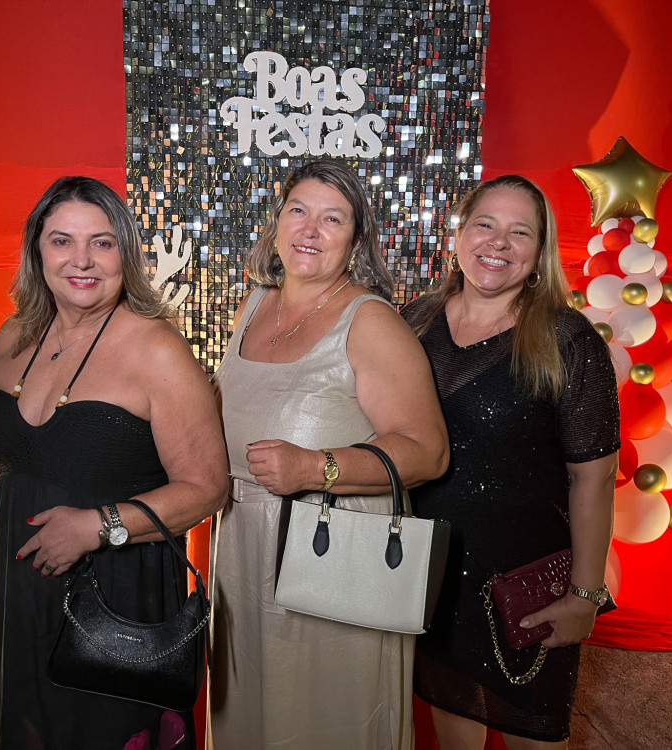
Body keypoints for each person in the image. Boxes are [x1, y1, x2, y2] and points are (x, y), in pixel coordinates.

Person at [0, 176, 228, 750]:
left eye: (101, 243)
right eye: (62, 241)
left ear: (124, 254)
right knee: (29, 730)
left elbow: (207, 488)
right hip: (21, 584)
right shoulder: (13, 337)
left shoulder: (157, 349)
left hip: (117, 595)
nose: (81, 260)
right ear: (37, 250)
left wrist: (95, 527)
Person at [206, 159, 450, 749]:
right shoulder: (252, 305)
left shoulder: (370, 322)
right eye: (298, 211)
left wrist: (315, 467)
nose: (310, 230)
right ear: (276, 224)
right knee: (248, 708)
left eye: (332, 218)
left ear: (356, 241)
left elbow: (429, 451)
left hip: (327, 547)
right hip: (240, 543)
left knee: (322, 714)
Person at [402, 174, 620, 749]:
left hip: (525, 587)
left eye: (519, 232)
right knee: (454, 729)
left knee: (534, 734)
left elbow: (594, 478)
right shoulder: (414, 322)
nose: (498, 243)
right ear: (459, 234)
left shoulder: (567, 339)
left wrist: (584, 596)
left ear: (539, 250)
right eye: (485, 224)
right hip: (432, 575)